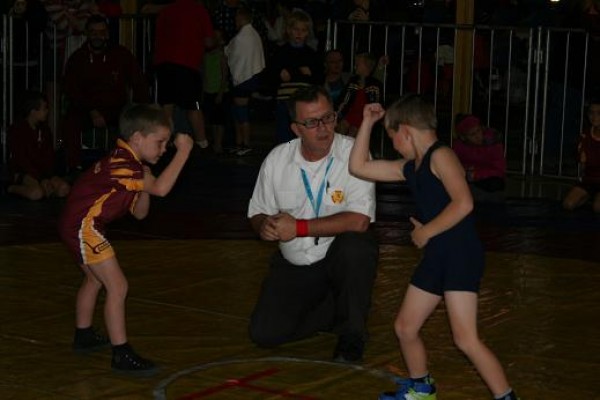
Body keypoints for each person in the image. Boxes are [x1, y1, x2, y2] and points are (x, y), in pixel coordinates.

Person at [348, 95, 519, 400]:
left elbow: (464, 203)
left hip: (460, 255)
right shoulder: (412, 167)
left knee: (465, 339)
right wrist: (367, 123)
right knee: (405, 327)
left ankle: (506, 396)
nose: (393, 145)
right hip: (438, 255)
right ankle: (421, 387)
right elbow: (358, 167)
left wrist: (426, 231)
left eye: (391, 136)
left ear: (406, 131)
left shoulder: (442, 156)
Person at [57, 104, 194, 374]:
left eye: (166, 143)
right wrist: (184, 152)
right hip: (84, 226)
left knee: (95, 279)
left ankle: (84, 335)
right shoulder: (124, 165)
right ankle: (121, 354)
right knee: (118, 286)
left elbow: (140, 214)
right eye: (160, 142)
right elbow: (162, 189)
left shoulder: (128, 164)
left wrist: (145, 187)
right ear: (138, 138)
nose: (164, 149)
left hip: (75, 223)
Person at [247, 85, 378, 363]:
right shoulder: (277, 159)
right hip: (296, 263)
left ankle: (352, 333)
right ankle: (334, 309)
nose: (323, 128)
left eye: (328, 118)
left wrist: (299, 228)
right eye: (311, 122)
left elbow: (359, 220)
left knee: (357, 245)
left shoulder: (355, 152)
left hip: (336, 256)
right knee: (264, 334)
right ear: (296, 129)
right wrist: (264, 226)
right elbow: (257, 212)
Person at [61, 14, 150, 172]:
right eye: (93, 32)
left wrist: (140, 108)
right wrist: (92, 111)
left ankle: (130, 165)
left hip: (116, 108)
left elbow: (138, 81)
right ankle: (73, 167)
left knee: (133, 121)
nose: (97, 36)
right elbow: (72, 90)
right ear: (87, 34)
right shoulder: (77, 58)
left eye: (101, 32)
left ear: (107, 34)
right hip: (86, 109)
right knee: (71, 120)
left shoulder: (121, 54)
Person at [154, 0, 214, 149]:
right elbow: (209, 41)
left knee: (167, 105)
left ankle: (164, 143)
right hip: (187, 63)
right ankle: (202, 143)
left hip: (164, 63)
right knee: (193, 106)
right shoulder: (198, 10)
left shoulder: (167, 10)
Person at [267, 9, 323, 143]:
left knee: (304, 137)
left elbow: (319, 78)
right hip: (284, 102)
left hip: (304, 102)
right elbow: (270, 76)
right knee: (284, 138)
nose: (299, 33)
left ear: (308, 32)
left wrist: (309, 75)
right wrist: (280, 74)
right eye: (296, 29)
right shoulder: (280, 52)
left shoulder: (311, 54)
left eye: (303, 30)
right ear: (288, 30)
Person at [6, 91, 70, 200]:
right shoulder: (17, 130)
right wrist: (40, 179)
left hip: (42, 172)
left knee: (64, 188)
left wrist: (48, 177)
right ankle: (11, 188)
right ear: (33, 111)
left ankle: (45, 190)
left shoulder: (45, 130)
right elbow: (22, 160)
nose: (47, 111)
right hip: (25, 172)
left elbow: (49, 156)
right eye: (44, 108)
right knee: (36, 193)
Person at [224, 6, 266, 156]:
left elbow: (233, 54)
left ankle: (246, 144)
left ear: (241, 18)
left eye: (236, 18)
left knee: (241, 112)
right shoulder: (252, 34)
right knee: (237, 112)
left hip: (244, 78)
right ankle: (239, 143)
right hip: (248, 77)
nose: (235, 21)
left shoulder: (244, 36)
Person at [452, 113, 507, 201]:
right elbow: (454, 166)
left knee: (495, 184)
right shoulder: (459, 146)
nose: (478, 136)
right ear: (463, 137)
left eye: (478, 131)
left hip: (488, 179)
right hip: (467, 178)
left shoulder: (493, 143)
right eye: (472, 134)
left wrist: (476, 174)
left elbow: (500, 170)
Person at [562, 98, 600, 213]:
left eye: (598, 113)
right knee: (568, 205)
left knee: (598, 208)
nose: (594, 117)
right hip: (589, 180)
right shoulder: (585, 136)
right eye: (591, 113)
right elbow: (582, 163)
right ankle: (589, 197)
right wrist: (582, 160)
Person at [336, 52, 383, 137]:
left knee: (353, 134)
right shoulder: (353, 81)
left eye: (357, 64)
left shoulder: (375, 84)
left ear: (367, 66)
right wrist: (339, 113)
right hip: (350, 113)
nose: (355, 66)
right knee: (339, 132)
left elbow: (376, 104)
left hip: (364, 116)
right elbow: (344, 99)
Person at [202, 28, 230, 155]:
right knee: (213, 120)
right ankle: (215, 142)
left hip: (219, 91)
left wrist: (220, 93)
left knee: (220, 120)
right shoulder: (206, 56)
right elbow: (204, 74)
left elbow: (224, 76)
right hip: (209, 91)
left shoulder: (221, 56)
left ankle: (218, 143)